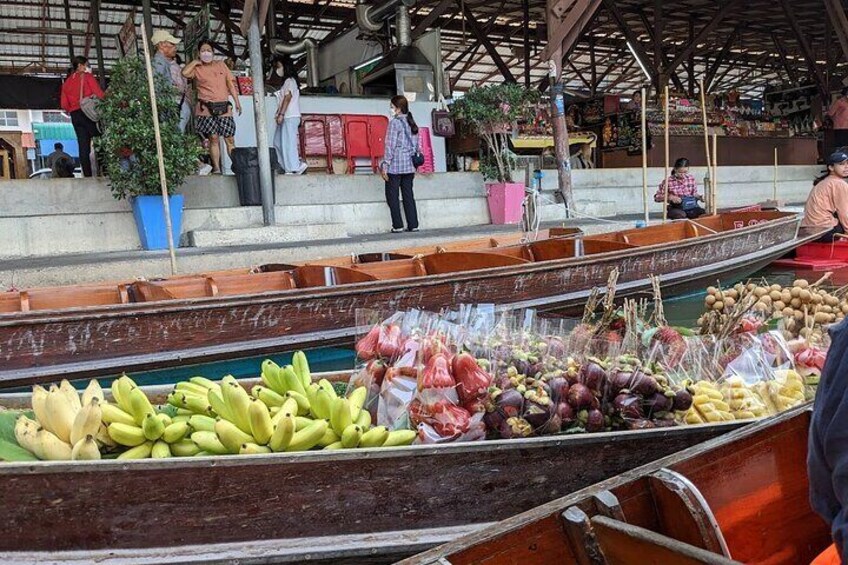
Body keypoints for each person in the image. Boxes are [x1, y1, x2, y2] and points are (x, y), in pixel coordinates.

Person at [182, 40, 241, 174]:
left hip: (224, 107)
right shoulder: (197, 69)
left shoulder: (221, 65)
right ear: (199, 53)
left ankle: (237, 167)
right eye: (203, 51)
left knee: (230, 139)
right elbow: (184, 73)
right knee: (213, 138)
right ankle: (216, 168)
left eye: (209, 50)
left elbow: (230, 84)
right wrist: (195, 62)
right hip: (206, 108)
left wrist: (237, 102)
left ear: (213, 53)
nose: (206, 53)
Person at [380, 95, 420, 233]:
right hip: (409, 166)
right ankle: (413, 225)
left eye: (392, 107)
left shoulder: (394, 123)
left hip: (395, 167)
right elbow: (417, 146)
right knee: (408, 195)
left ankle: (398, 225)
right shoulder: (412, 122)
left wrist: (385, 166)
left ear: (398, 109)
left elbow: (389, 146)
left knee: (392, 196)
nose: (390, 110)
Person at [60, 56, 103, 177]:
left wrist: (72, 109)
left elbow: (64, 104)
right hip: (88, 112)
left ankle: (88, 175)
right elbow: (98, 93)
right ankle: (106, 169)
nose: (87, 67)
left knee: (83, 145)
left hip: (75, 115)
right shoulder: (87, 77)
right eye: (86, 65)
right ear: (79, 65)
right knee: (100, 137)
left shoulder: (66, 83)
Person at [800, 151, 848, 242]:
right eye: (841, 164)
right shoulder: (839, 184)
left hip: (807, 228)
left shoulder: (824, 181)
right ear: (831, 167)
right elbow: (844, 213)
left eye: (847, 163)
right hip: (824, 230)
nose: (846, 167)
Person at [150, 29, 191, 132]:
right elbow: (156, 87)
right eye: (172, 44)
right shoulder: (159, 63)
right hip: (165, 107)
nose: (175, 48)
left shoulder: (163, 62)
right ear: (162, 45)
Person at [273, 60, 307, 175]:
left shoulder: (289, 81)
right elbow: (283, 99)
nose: (278, 70)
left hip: (290, 116)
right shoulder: (288, 82)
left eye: (279, 66)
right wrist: (279, 113)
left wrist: (281, 114)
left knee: (288, 142)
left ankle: (294, 167)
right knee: (278, 142)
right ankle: (288, 166)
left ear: (285, 67)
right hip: (286, 116)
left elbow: (287, 98)